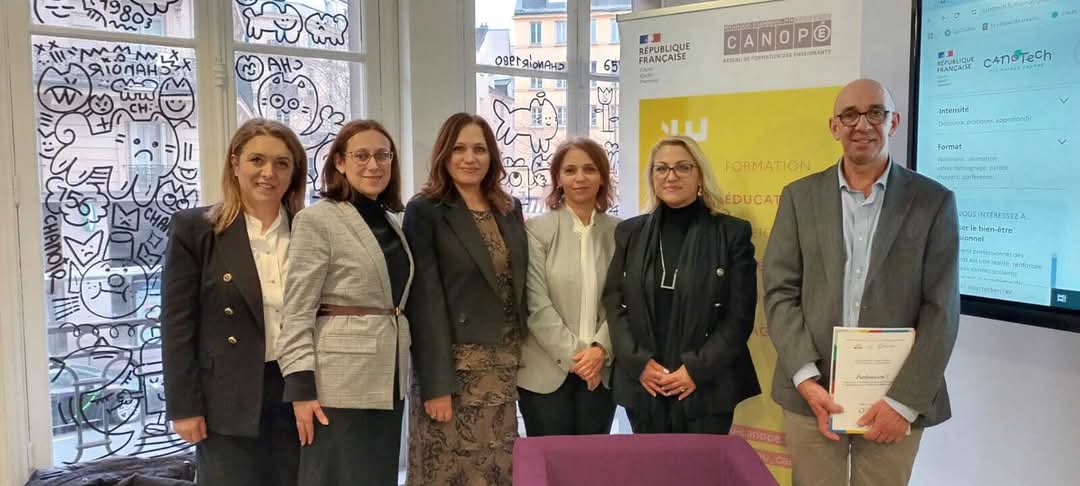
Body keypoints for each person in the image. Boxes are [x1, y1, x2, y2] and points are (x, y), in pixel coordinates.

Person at [763, 78, 959, 486]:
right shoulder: (799, 197)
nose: (862, 125)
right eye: (849, 115)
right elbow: (780, 292)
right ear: (834, 126)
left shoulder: (933, 201)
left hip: (893, 398)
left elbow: (941, 310)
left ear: (894, 122)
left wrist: (903, 403)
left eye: (875, 113)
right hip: (812, 393)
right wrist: (805, 378)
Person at [161, 118, 307, 485]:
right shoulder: (197, 229)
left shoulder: (309, 231)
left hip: (297, 392)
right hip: (226, 395)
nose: (268, 173)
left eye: (282, 163)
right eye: (257, 160)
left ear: (294, 172)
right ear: (235, 163)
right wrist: (184, 406)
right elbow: (177, 324)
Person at [275, 120, 412, 486]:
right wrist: (300, 390)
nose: (374, 165)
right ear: (339, 162)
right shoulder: (317, 219)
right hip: (337, 383)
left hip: (388, 379)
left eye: (382, 155)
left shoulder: (390, 221)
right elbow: (297, 311)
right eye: (361, 155)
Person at [602, 135, 760, 434]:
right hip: (645, 385)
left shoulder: (731, 233)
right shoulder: (629, 232)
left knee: (702, 464)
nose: (671, 176)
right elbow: (614, 301)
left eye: (683, 167)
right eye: (661, 168)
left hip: (707, 386)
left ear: (700, 175)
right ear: (652, 176)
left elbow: (739, 315)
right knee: (650, 463)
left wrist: (696, 370)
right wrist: (639, 363)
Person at [403, 113, 528, 486]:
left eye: (479, 149)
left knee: (497, 469)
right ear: (444, 155)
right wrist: (436, 384)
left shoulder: (509, 208)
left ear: (492, 156)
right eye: (459, 149)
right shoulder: (425, 210)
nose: (470, 158)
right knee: (446, 471)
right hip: (453, 370)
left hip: (502, 366)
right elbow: (424, 302)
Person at [517, 137, 619, 436]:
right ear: (558, 179)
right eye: (570, 170)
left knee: (593, 461)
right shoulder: (536, 230)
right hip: (545, 375)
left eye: (590, 169)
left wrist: (600, 349)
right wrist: (579, 357)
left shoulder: (620, 232)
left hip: (601, 372)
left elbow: (623, 301)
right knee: (549, 460)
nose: (580, 178)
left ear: (602, 177)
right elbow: (535, 303)